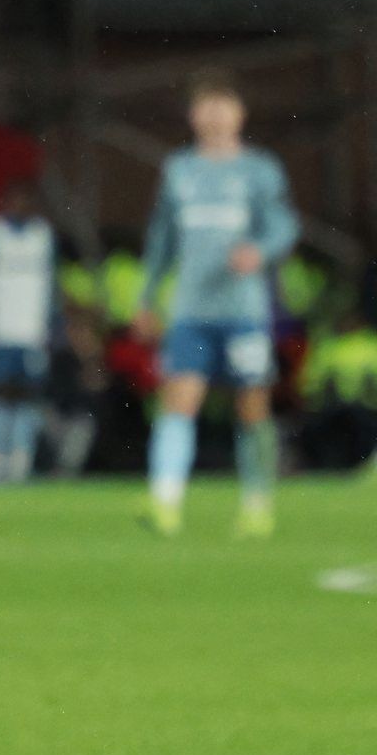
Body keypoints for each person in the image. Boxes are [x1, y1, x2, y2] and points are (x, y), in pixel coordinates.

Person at [133, 71, 298, 537]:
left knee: (252, 408)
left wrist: (259, 251)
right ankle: (165, 503)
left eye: (224, 105)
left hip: (244, 312)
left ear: (239, 114)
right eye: (207, 105)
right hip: (190, 311)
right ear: (193, 115)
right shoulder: (179, 170)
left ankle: (257, 504)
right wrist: (146, 296)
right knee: (178, 402)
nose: (215, 114)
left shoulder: (260, 170)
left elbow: (283, 226)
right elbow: (162, 239)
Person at [0, 180, 58, 484]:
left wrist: (52, 328)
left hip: (31, 333)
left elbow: (51, 287)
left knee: (28, 395)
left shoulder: (42, 236)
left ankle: (20, 460)